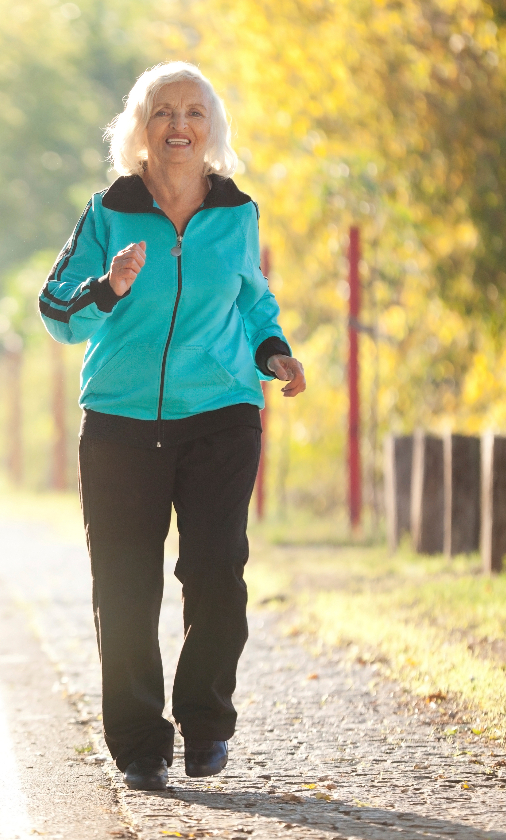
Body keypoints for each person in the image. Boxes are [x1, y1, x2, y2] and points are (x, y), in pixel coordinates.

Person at [38, 62, 307, 792]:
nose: (178, 125)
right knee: (125, 585)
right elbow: (56, 311)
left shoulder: (237, 212)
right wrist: (110, 286)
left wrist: (273, 348)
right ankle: (138, 743)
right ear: (139, 128)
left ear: (211, 128)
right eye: (162, 112)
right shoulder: (107, 212)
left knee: (216, 571)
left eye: (193, 112)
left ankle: (207, 720)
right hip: (121, 423)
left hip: (220, 414)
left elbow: (252, 299)